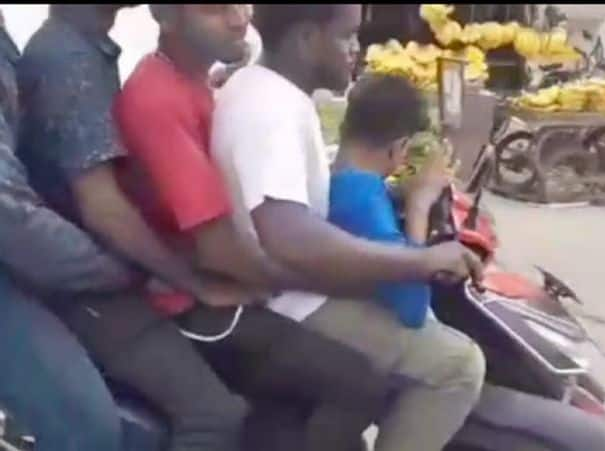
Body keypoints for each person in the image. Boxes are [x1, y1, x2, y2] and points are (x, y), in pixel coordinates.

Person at [16, 5, 345, 451]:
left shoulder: (88, 51)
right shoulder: (69, 59)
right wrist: (191, 281)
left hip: (110, 273)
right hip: (91, 288)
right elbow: (102, 208)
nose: (238, 17)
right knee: (215, 416)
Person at [112, 5, 423, 451]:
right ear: (166, 16)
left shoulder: (205, 79)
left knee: (290, 412)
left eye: (240, 3)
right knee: (358, 383)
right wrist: (333, 279)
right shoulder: (156, 98)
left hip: (228, 279)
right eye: (215, 9)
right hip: (195, 302)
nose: (240, 18)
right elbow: (218, 246)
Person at [211, 5, 486, 451]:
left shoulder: (267, 92)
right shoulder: (270, 107)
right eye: (346, 36)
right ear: (305, 38)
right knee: (457, 365)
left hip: (293, 288)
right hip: (293, 303)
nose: (356, 49)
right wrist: (421, 260)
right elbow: (289, 236)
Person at [0, 8, 126, 451]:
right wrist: (120, 268)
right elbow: (10, 218)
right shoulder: (64, 56)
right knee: (86, 430)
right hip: (21, 255)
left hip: (33, 251)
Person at [328, 74, 445, 329]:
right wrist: (419, 205)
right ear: (400, 146)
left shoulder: (343, 178)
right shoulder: (363, 201)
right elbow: (413, 312)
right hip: (362, 329)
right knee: (467, 361)